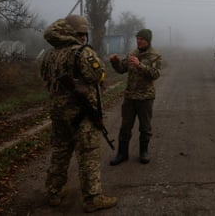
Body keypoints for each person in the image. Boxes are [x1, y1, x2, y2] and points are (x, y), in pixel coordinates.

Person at [40, 15, 118, 213]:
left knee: (60, 151)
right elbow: (97, 74)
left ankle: (54, 192)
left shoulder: (50, 54)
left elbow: (45, 77)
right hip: (81, 113)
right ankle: (92, 198)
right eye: (84, 33)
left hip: (58, 112)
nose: (84, 36)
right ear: (80, 33)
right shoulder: (83, 52)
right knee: (88, 153)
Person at [109, 28, 162, 166]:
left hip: (145, 97)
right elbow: (122, 69)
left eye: (142, 39)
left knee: (145, 127)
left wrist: (140, 65)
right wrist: (115, 62)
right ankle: (122, 154)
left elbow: (155, 74)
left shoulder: (154, 55)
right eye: (137, 39)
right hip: (130, 97)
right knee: (125, 126)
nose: (139, 41)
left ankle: (144, 152)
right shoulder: (132, 53)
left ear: (148, 40)